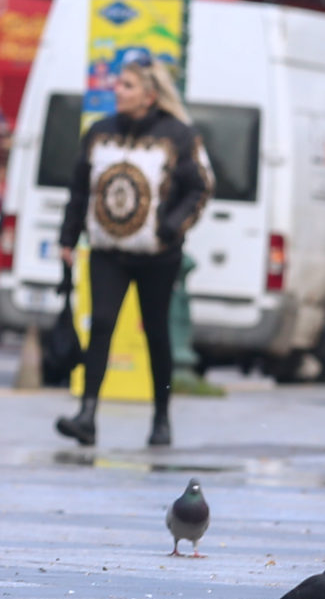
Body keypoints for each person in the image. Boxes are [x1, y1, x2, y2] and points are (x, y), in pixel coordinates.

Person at [53, 51, 212, 450]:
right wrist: (68, 238)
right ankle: (87, 414)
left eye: (126, 85)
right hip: (108, 249)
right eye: (117, 84)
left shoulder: (178, 135)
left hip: (158, 255)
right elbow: (79, 186)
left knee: (156, 333)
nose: (117, 91)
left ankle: (161, 416)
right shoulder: (99, 131)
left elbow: (201, 186)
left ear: (150, 94)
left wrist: (170, 226)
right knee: (101, 325)